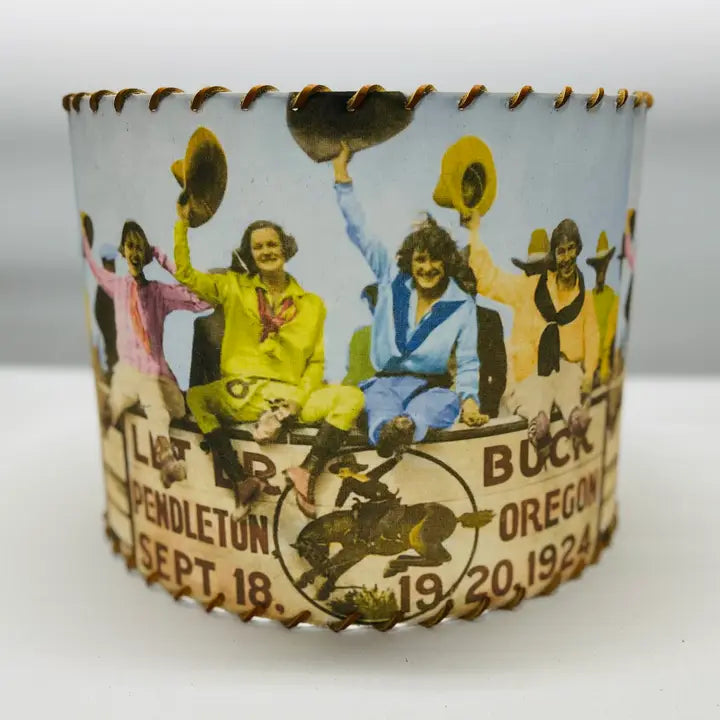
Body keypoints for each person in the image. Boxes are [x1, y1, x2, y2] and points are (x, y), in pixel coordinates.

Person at [174, 206, 364, 519]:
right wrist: (182, 224)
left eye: (272, 244)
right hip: (243, 394)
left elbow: (316, 363)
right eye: (258, 247)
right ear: (250, 254)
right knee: (197, 397)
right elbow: (185, 274)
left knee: (351, 397)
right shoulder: (233, 287)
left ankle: (307, 472)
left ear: (285, 248)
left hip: (289, 397)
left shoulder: (312, 304)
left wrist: (295, 402)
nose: (266, 252)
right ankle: (241, 480)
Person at [332, 142, 487, 458]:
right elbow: (361, 232)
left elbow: (468, 362)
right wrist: (341, 174)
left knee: (439, 405)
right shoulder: (391, 279)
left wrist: (470, 401)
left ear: (447, 262)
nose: (427, 268)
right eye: (420, 260)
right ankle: (388, 432)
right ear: (409, 261)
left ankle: (405, 427)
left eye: (435, 260)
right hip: (384, 384)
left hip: (430, 387)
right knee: (375, 405)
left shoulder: (462, 305)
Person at [81, 213, 210, 488]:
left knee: (150, 386)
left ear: (147, 253)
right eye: (130, 246)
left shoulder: (159, 293)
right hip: (129, 376)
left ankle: (162, 458)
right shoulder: (118, 286)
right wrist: (82, 238)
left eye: (141, 247)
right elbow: (93, 267)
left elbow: (202, 300)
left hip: (160, 381)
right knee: (122, 397)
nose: (135, 252)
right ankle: (160, 460)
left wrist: (163, 258)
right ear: (123, 251)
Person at [468, 214, 599, 457]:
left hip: (563, 372)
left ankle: (572, 415)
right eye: (533, 270)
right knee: (533, 388)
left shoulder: (580, 296)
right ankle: (539, 421)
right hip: (528, 375)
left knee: (566, 373)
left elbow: (591, 336)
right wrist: (474, 232)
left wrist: (590, 372)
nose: (540, 274)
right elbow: (488, 279)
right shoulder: (526, 288)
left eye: (545, 268)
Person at [587, 231, 619, 385]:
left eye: (604, 265)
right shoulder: (588, 299)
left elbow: (610, 337)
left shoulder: (613, 299)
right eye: (598, 266)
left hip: (605, 367)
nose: (601, 270)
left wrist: (605, 369)